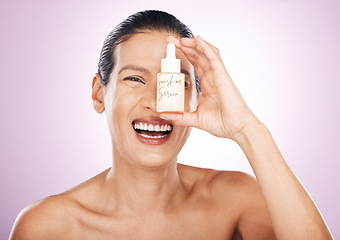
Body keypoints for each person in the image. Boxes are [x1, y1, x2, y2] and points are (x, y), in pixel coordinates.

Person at [10, 10, 333, 239]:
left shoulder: (237, 200)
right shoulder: (46, 227)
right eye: (135, 78)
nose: (156, 102)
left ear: (197, 97)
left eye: (175, 84)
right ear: (99, 93)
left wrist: (248, 129)